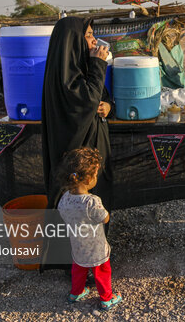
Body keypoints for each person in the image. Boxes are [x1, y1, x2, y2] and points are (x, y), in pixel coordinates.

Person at [41, 17, 113, 270]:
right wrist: (98, 64)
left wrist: (107, 106)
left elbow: (98, 98)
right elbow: (85, 100)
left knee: (93, 210)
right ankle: (80, 265)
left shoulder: (78, 66)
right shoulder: (65, 75)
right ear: (73, 40)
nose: (94, 40)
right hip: (77, 158)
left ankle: (95, 258)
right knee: (79, 210)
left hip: (91, 150)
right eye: (89, 35)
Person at [56, 147, 123, 310]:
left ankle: (76, 292)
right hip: (95, 247)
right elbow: (105, 218)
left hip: (77, 245)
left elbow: (62, 214)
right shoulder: (91, 201)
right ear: (87, 180)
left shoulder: (65, 197)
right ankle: (107, 298)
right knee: (102, 271)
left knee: (78, 270)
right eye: (95, 175)